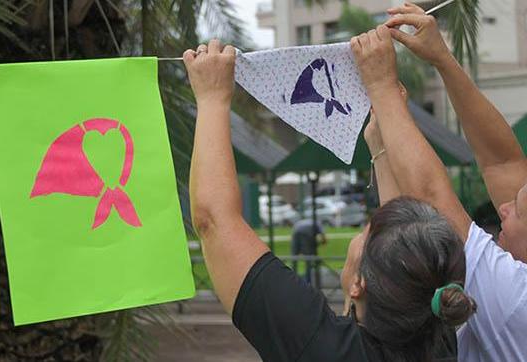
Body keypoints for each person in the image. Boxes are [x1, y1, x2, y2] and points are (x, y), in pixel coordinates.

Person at [183, 39, 476, 362]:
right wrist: (380, 148)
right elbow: (406, 247)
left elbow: (215, 221)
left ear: (358, 285)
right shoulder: (438, 336)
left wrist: (212, 99)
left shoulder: (320, 345)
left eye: (369, 231)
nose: (370, 224)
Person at [350, 5, 527, 360]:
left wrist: (381, 85)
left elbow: (433, 199)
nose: (502, 207)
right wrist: (442, 60)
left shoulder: (515, 300)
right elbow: (502, 163)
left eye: (518, 211)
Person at [291, 218, 326, 283]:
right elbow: (323, 236)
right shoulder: (319, 223)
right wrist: (324, 242)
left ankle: (293, 276)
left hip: (295, 232)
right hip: (306, 233)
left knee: (294, 256)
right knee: (308, 256)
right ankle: (308, 278)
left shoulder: (308, 221)